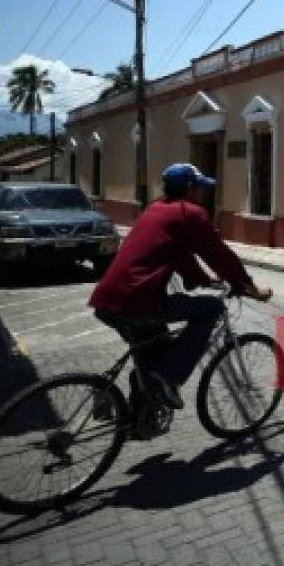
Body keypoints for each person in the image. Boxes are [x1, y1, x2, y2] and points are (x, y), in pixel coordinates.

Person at [90, 163, 272, 409]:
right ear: (189, 188)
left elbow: (179, 254)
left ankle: (136, 418)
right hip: (139, 302)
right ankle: (167, 377)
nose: (203, 194)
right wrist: (248, 286)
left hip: (107, 300)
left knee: (154, 355)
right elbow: (219, 255)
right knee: (212, 308)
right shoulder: (190, 213)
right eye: (200, 188)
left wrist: (203, 279)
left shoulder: (154, 209)